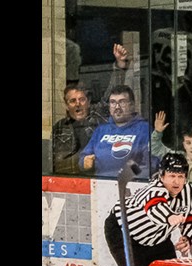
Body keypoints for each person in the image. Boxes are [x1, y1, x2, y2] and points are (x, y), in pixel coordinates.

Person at [52, 43, 132, 174]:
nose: (78, 104)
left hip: (103, 177)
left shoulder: (98, 115)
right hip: (71, 182)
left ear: (88, 102)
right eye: (72, 101)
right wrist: (81, 162)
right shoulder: (59, 128)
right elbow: (55, 163)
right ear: (66, 105)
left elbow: (111, 94)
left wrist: (120, 65)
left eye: (82, 99)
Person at [151, 11, 192, 147]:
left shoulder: (157, 34)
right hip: (181, 92)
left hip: (157, 91)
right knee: (187, 132)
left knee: (162, 131)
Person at [79, 84, 154, 177]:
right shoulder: (101, 130)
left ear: (131, 105)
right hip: (101, 186)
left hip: (131, 186)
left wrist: (130, 175)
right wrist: (84, 163)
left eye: (122, 102)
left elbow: (152, 164)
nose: (117, 107)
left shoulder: (143, 129)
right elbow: (84, 158)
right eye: (113, 102)